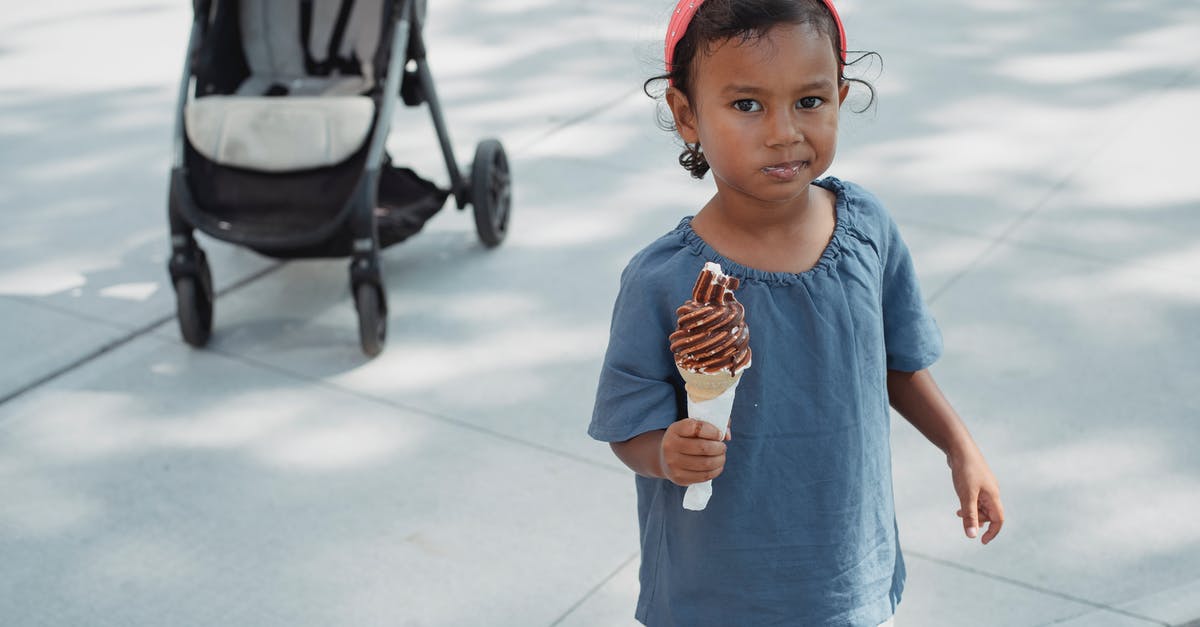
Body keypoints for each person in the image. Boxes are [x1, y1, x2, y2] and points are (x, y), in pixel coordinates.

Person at [588, 0, 1006, 624]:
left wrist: (959, 447)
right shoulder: (664, 279)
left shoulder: (867, 230)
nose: (784, 131)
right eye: (747, 105)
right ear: (686, 115)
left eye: (809, 101)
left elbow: (897, 363)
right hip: (718, 587)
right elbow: (627, 423)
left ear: (840, 96)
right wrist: (665, 453)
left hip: (845, 570)